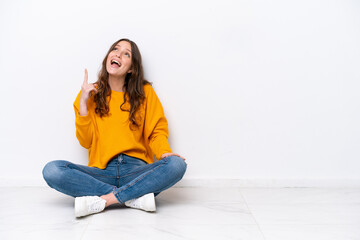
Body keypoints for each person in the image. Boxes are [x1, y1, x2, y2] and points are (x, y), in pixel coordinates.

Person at [42, 38, 187, 218]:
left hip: (136, 170)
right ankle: (133, 197)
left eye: (126, 53)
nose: (118, 53)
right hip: (101, 172)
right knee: (52, 170)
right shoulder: (90, 93)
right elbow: (85, 141)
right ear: (108, 57)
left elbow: (156, 131)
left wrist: (164, 152)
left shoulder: (145, 92)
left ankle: (107, 199)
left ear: (132, 68)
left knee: (177, 165)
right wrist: (84, 104)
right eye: (115, 49)